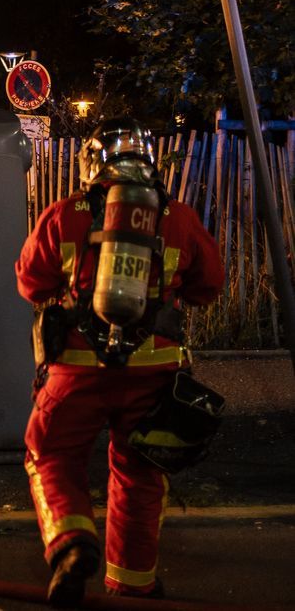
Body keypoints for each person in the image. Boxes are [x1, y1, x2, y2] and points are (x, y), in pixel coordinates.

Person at [15, 117, 224, 605]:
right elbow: (208, 286)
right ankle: (133, 585)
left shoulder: (64, 214)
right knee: (140, 473)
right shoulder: (180, 218)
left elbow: (30, 282)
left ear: (94, 163)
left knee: (50, 455)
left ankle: (70, 544)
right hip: (155, 378)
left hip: (77, 372)